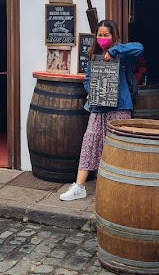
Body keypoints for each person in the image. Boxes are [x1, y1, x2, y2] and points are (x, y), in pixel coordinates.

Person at [59, 20, 143, 201]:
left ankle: (120, 187)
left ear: (114, 36)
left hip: (119, 106)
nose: (102, 38)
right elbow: (87, 79)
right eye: (99, 35)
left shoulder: (122, 53)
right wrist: (92, 90)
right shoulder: (93, 55)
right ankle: (79, 186)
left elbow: (139, 48)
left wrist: (114, 51)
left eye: (106, 35)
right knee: (90, 142)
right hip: (98, 107)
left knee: (118, 146)